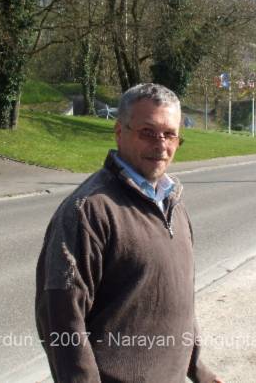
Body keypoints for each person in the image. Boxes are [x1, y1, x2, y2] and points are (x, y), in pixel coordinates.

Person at [35, 83, 220, 382]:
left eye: (170, 134)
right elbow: (61, 323)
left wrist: (197, 367)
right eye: (148, 132)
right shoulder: (87, 211)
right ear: (120, 132)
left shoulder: (173, 202)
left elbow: (180, 302)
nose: (161, 145)